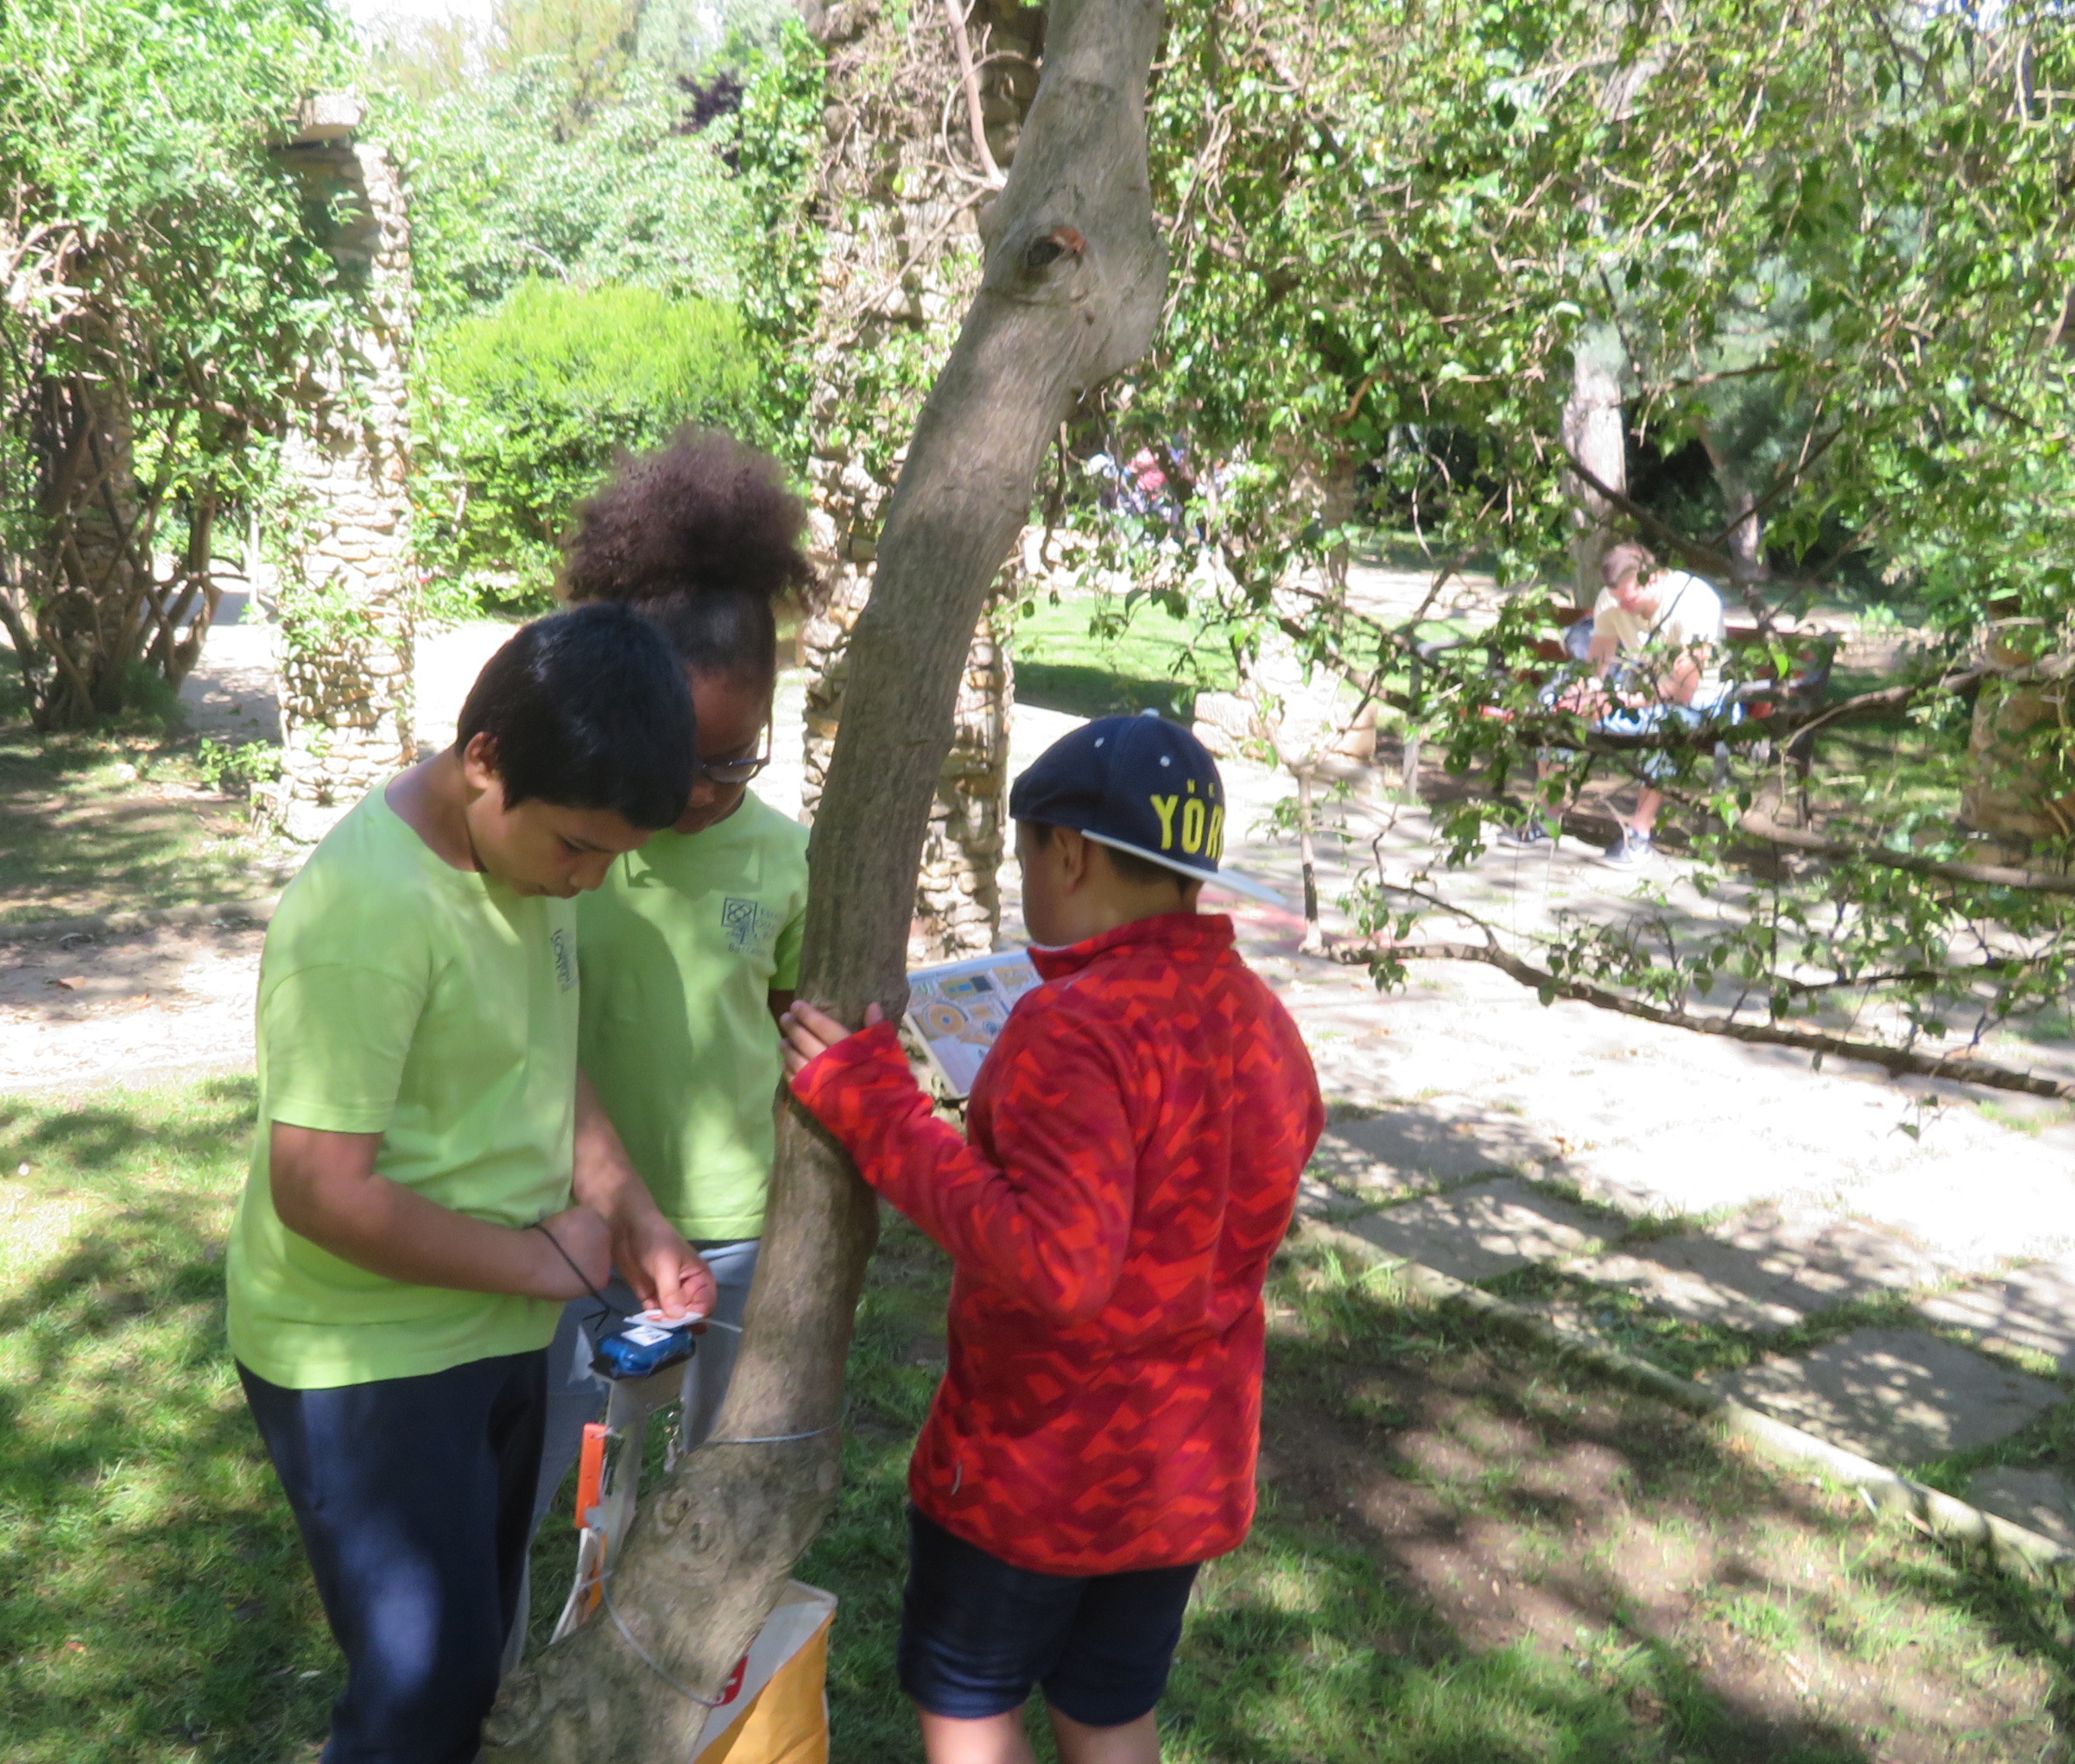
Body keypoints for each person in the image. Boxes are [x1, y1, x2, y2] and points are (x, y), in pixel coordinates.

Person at [779, 714, 1327, 1764]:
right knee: (1108, 1707)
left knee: (972, 1704)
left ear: (1067, 852)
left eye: (1025, 851)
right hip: (1183, 1470)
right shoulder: (1261, 1017)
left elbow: (1059, 1266)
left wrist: (879, 1110)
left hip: (1033, 1474)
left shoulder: (1071, 1024)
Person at [225, 603, 718, 1764]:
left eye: (612, 858)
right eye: (578, 848)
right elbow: (317, 1188)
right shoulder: (368, 911)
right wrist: (535, 1261)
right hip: (364, 1356)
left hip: (498, 1327)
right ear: (485, 758)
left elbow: (545, 1061)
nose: (588, 882)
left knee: (470, 1660)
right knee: (424, 1688)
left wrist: (632, 1213)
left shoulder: (527, 867)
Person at [528, 430, 815, 1570]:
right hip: (565, 1222)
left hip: (729, 1232)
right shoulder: (569, 843)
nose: (700, 792)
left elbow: (790, 1025)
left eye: (736, 760)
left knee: (704, 1496)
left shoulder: (785, 858)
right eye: (679, 757)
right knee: (551, 1479)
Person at [1506, 540, 1730, 867]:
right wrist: (1581, 695)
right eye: (1616, 599)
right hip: (1640, 688)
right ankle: (1547, 819)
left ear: (1652, 578)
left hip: (1702, 698)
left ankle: (1639, 837)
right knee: (1554, 705)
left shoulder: (1694, 601)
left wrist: (1616, 701)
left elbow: (1682, 690)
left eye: (1629, 600)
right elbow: (1595, 667)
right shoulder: (1611, 600)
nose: (1621, 608)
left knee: (1667, 724)